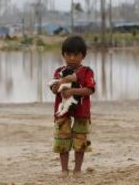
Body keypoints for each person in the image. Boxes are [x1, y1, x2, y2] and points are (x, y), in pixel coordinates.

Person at [49, 35, 96, 177]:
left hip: (82, 112)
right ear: (63, 55)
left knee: (80, 140)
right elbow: (54, 90)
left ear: (83, 56)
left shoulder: (87, 71)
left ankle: (77, 169)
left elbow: (90, 90)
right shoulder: (59, 71)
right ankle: (64, 169)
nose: (72, 58)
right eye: (68, 55)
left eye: (76, 55)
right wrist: (62, 81)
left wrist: (73, 91)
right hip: (62, 112)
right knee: (62, 139)